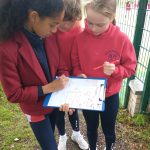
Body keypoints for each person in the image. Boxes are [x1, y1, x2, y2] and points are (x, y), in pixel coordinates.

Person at [0, 0, 69, 150]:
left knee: (51, 133)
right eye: (52, 24)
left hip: (54, 103)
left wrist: (64, 87)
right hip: (35, 109)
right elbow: (14, 94)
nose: (56, 30)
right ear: (34, 17)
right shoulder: (6, 47)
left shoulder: (50, 35)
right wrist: (48, 88)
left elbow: (61, 65)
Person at [71, 0, 137, 150]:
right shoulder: (80, 38)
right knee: (91, 127)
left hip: (110, 95)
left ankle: (109, 147)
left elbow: (131, 68)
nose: (93, 28)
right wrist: (79, 74)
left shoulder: (121, 39)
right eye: (89, 22)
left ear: (112, 17)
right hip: (88, 94)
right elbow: (75, 64)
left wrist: (115, 71)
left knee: (109, 129)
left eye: (100, 25)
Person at [56, 0, 89, 150]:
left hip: (74, 72)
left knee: (73, 107)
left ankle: (76, 133)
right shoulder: (52, 28)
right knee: (59, 107)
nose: (63, 27)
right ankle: (62, 135)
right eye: (61, 22)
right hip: (56, 74)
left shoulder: (80, 28)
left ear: (76, 19)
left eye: (67, 23)